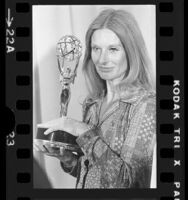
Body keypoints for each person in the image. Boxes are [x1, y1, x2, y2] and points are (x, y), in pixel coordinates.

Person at [35, 8, 156, 188]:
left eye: (113, 49)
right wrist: (69, 160)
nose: (102, 59)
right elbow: (95, 174)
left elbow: (128, 181)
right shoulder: (93, 103)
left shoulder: (145, 104)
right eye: (96, 49)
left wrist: (81, 130)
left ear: (131, 52)